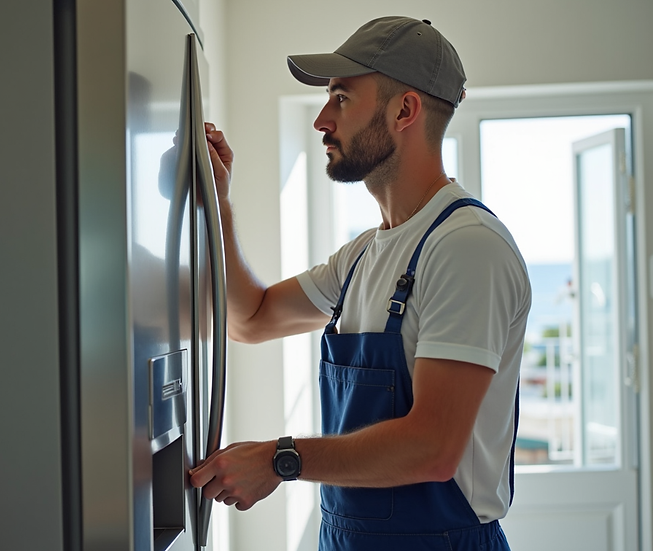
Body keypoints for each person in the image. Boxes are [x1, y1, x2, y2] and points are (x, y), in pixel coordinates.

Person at [188, 16, 531, 551]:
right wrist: (220, 205)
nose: (322, 120)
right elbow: (249, 319)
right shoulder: (365, 255)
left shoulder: (466, 247)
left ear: (404, 110)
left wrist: (281, 460)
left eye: (342, 98)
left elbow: (433, 447)